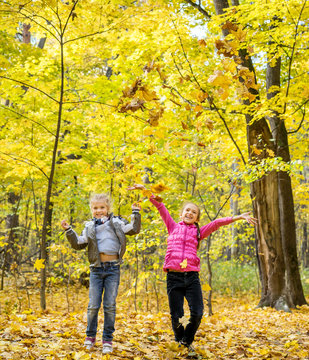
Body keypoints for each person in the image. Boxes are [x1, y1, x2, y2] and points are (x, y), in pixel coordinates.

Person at [128, 184, 257, 351]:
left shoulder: (199, 232)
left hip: (191, 277)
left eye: (193, 212)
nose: (189, 213)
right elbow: (160, 206)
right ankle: (180, 341)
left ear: (197, 219)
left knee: (197, 313)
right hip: (173, 277)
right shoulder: (172, 227)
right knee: (177, 317)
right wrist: (145, 190)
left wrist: (237, 217)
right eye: (187, 210)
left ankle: (186, 341)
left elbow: (217, 223)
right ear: (181, 214)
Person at [61, 193, 141, 354]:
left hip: (113, 268)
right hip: (96, 269)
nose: (99, 210)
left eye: (102, 207)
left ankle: (107, 340)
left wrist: (135, 213)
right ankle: (90, 337)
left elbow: (133, 229)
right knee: (93, 306)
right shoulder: (89, 226)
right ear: (92, 209)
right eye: (95, 208)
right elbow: (78, 243)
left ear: (108, 208)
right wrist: (69, 230)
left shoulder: (117, 222)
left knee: (110, 305)